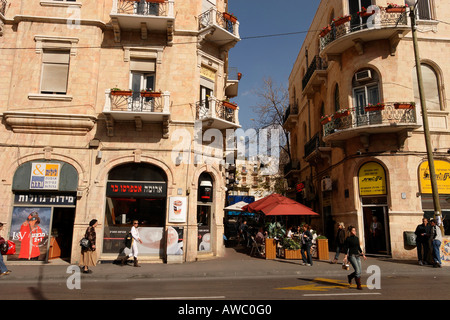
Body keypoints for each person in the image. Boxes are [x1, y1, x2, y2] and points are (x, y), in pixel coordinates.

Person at [343, 226, 366, 290]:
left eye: (355, 230)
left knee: (359, 271)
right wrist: (345, 257)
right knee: (357, 271)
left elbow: (358, 247)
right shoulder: (348, 239)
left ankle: (350, 276)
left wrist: (363, 254)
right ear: (350, 232)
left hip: (357, 255)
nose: (355, 232)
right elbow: (346, 248)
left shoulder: (356, 238)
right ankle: (359, 285)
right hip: (351, 256)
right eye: (353, 231)